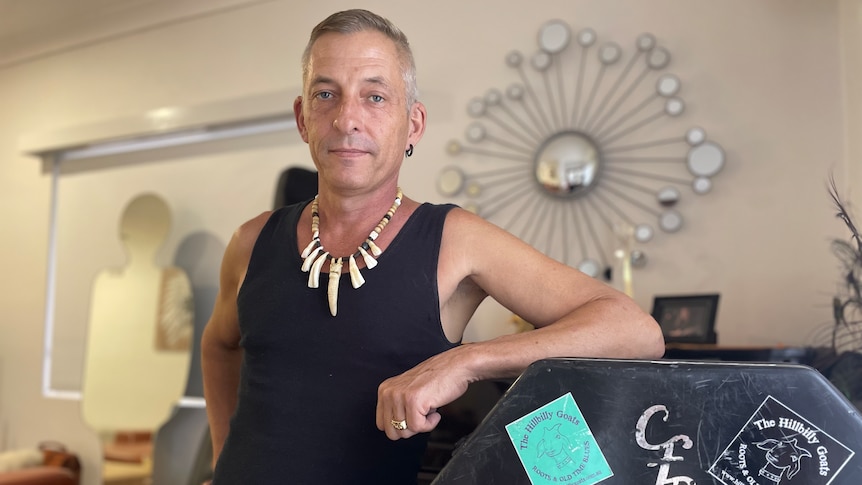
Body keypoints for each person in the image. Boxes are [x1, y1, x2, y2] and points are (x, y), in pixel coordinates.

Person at [201, 8, 665, 484]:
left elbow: (635, 331)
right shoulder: (251, 241)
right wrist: (221, 459)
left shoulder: (454, 241)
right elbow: (219, 345)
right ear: (303, 119)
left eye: (375, 96)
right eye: (325, 94)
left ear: (413, 125)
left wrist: (464, 362)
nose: (346, 118)